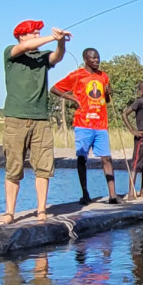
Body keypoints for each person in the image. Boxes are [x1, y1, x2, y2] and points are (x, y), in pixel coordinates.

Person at [1, 20, 71, 224]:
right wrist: (52, 37)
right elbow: (25, 47)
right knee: (13, 167)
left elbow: (57, 56)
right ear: (22, 35)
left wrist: (61, 42)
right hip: (15, 119)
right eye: (34, 33)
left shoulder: (42, 56)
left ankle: (41, 211)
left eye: (39, 33)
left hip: (41, 119)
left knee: (43, 167)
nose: (38, 36)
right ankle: (9, 213)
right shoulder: (10, 52)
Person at [51, 48, 119, 205]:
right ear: (86, 60)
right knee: (82, 158)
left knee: (107, 158)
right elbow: (54, 89)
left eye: (98, 58)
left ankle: (113, 195)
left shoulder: (103, 76)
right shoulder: (77, 75)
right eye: (93, 58)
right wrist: (73, 98)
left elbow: (106, 100)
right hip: (83, 123)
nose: (96, 60)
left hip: (101, 123)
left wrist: (108, 93)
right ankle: (85, 193)